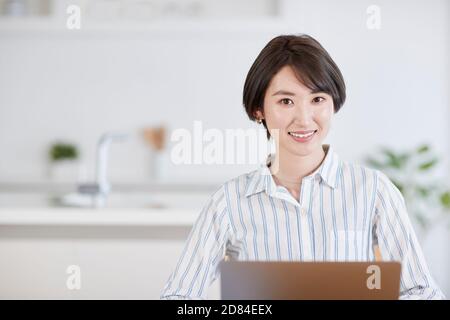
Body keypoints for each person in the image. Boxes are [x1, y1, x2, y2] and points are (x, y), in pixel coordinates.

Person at [160, 34, 445, 300]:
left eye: (317, 99)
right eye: (286, 101)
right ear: (258, 110)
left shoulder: (373, 190)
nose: (304, 119)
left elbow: (423, 290)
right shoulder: (229, 203)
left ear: (333, 104)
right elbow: (178, 296)